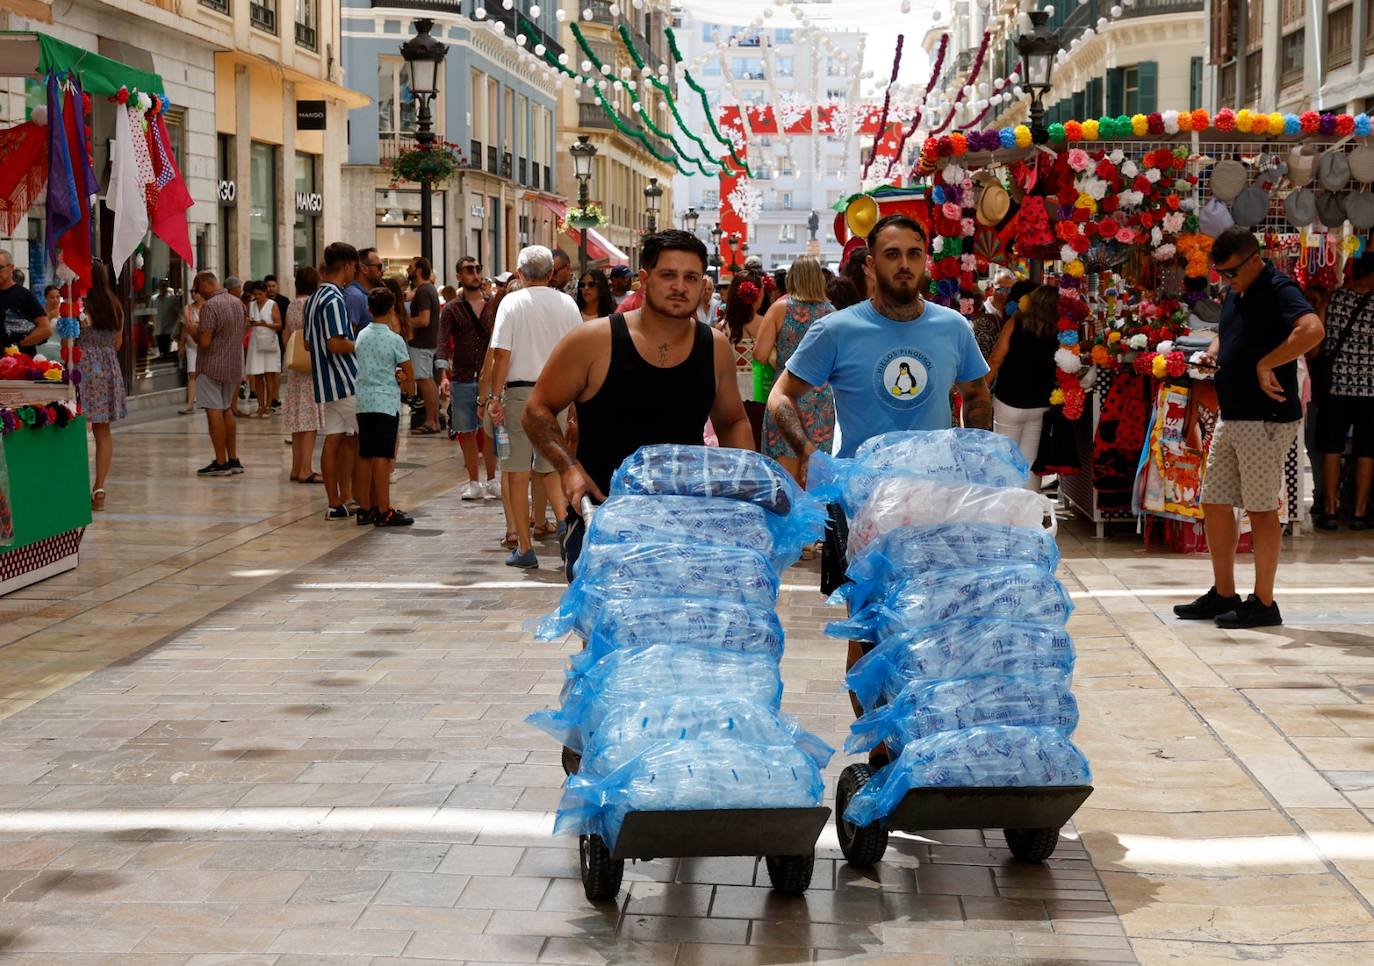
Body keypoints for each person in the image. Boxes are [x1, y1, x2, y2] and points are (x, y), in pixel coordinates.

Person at [767, 215, 992, 765]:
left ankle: (934, 730)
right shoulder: (838, 330)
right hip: (864, 507)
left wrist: (976, 457)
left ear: (926, 262)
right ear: (871, 265)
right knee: (869, 629)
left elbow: (978, 394)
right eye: (892, 255)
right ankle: (880, 743)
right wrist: (810, 454)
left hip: (938, 507)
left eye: (914, 254)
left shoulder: (952, 328)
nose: (904, 265)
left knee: (939, 620)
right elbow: (780, 397)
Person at [522, 229, 754, 578]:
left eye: (691, 277)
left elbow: (733, 421)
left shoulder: (714, 347)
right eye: (668, 275)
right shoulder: (593, 341)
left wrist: (750, 488)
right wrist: (569, 469)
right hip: (601, 520)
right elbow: (536, 410)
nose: (680, 286)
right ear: (644, 279)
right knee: (606, 630)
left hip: (685, 527)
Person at [1174, 226, 1323, 628]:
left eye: (1231, 272)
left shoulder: (1279, 287)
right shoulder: (1238, 290)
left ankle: (1264, 602)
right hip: (1234, 413)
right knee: (1215, 501)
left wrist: (1266, 363)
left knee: (1259, 510)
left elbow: (1312, 330)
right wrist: (1212, 352)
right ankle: (1223, 592)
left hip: (1266, 418)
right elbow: (1231, 334)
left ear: (1254, 260)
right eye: (1220, 274)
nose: (1226, 280)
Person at [486, 246, 582, 569]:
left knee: (516, 471)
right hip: (556, 393)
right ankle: (567, 528)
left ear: (520, 274)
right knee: (551, 468)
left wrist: (493, 397)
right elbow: (577, 352)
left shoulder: (512, 303)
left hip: (520, 395)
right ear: (552, 273)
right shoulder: (567, 303)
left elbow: (501, 353)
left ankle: (525, 547)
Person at [758, 256, 836, 483]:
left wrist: (781, 359)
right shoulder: (831, 312)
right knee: (814, 477)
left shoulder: (779, 309)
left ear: (792, 278)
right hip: (820, 399)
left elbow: (760, 355)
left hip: (787, 397)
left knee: (784, 478)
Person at [1313, 251, 1374, 530]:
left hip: (1335, 387)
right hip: (1371, 391)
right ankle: (1360, 512)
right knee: (1366, 451)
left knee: (1331, 448)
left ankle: (1329, 511)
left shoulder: (1332, 298)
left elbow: (1317, 342)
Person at [305, 242, 362, 519]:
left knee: (335, 439)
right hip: (345, 380)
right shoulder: (334, 299)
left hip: (325, 382)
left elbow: (308, 344)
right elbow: (336, 343)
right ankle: (370, 500)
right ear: (348, 266)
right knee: (371, 437)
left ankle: (337, 502)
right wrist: (361, 342)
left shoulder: (314, 298)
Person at [354, 286, 417, 527]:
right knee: (382, 456)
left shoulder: (361, 335)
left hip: (364, 401)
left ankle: (364, 508)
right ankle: (384, 509)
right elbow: (408, 373)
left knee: (365, 455)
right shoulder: (394, 339)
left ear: (369, 309)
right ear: (392, 308)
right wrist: (406, 384)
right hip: (386, 402)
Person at [438, 255, 498, 500]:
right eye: (469, 269)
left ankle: (493, 479)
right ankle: (474, 481)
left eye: (478, 268)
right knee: (466, 430)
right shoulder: (452, 308)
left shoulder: (494, 303)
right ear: (459, 276)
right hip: (462, 375)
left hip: (491, 376)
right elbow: (442, 342)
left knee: (491, 429)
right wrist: (443, 375)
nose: (475, 273)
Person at [987, 282, 1058, 490]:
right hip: (1040, 402)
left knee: (1005, 457)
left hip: (1009, 399)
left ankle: (1005, 511)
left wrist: (982, 389)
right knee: (1030, 460)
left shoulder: (1014, 323)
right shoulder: (1058, 329)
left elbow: (996, 359)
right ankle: (1030, 513)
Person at [183, 271, 247, 477]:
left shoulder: (210, 306)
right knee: (227, 409)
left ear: (205, 284)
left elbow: (204, 342)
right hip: (233, 364)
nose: (196, 293)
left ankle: (220, 462)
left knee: (214, 412)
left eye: (196, 288)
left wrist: (191, 328)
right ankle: (234, 459)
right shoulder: (238, 303)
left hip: (211, 366)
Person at [78, 261, 127, 510]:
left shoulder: (81, 305)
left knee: (76, 426)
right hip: (108, 367)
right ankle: (99, 488)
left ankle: (76, 486)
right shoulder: (115, 305)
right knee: (103, 431)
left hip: (83, 367)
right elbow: (118, 343)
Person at [719, 269, 771, 449]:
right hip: (760, 394)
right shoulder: (766, 324)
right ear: (756, 294)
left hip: (728, 396)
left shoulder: (721, 327)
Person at [284, 267, 325, 484]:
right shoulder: (312, 304)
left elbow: (285, 334)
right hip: (310, 366)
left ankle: (295, 466)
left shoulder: (292, 305)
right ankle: (306, 469)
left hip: (295, 367)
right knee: (309, 420)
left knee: (297, 420)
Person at [1300, 283, 1331, 515]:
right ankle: (1321, 495)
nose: (1313, 304)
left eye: (1316, 300)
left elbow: (1314, 352)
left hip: (1323, 394)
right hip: (1311, 395)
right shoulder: (1303, 325)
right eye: (1308, 300)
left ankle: (1323, 495)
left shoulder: (1318, 326)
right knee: (1313, 446)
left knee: (1318, 446)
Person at [406, 256, 443, 435]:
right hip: (428, 343)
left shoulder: (423, 291)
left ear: (419, 270)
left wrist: (404, 322)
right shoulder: (428, 289)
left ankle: (431, 420)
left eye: (411, 266)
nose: (408, 269)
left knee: (425, 381)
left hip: (422, 343)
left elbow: (423, 319)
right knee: (428, 381)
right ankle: (434, 419)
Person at [0, 249, 51, 356]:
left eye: (0, 268)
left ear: (11, 268)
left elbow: (45, 329)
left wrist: (20, 344)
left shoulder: (24, 295)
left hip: (20, 363)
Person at [245, 280, 283, 418]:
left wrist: (266, 324)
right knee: (257, 375)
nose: (258, 297)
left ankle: (268, 406)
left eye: (260, 294)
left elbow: (279, 325)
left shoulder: (272, 304)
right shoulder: (251, 305)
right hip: (256, 341)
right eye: (256, 294)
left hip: (269, 342)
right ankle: (260, 406)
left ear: (265, 292)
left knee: (269, 375)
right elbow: (248, 324)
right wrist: (249, 323)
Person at [975, 270, 1017, 365]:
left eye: (1008, 290)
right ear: (993, 285)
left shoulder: (1013, 311)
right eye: (1000, 289)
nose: (1004, 294)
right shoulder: (981, 310)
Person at [178, 289, 203, 415]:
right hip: (191, 345)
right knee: (192, 374)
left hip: (206, 345)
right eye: (192, 291)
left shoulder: (208, 308)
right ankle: (190, 405)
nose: (194, 294)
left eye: (196, 291)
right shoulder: (187, 309)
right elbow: (184, 329)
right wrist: (181, 346)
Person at [346, 248, 383, 333]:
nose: (382, 270)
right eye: (379, 267)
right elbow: (348, 337)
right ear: (364, 268)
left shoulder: (365, 295)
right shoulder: (354, 296)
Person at [152, 278, 182, 358]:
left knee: (167, 351)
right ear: (158, 287)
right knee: (161, 350)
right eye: (161, 286)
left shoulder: (172, 299)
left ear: (167, 287)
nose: (162, 287)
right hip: (158, 329)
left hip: (169, 329)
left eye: (164, 286)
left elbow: (178, 313)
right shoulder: (154, 299)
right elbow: (151, 314)